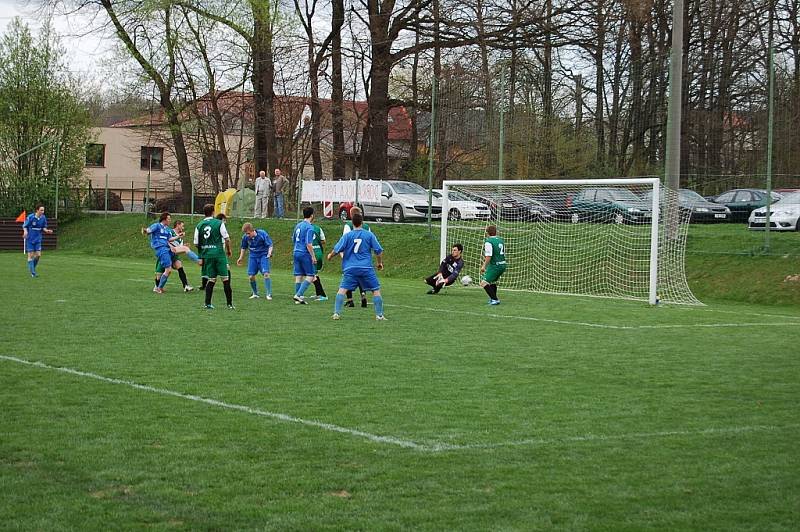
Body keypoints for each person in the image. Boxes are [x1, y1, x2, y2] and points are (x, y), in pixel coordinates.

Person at [327, 211, 386, 320]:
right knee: (375, 290)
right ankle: (379, 315)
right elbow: (378, 251)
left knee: (342, 290)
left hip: (350, 268)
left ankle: (336, 313)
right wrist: (379, 263)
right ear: (362, 223)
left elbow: (337, 249)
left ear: (352, 223)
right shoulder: (369, 235)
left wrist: (330, 255)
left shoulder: (347, 236)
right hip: (366, 268)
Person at [194, 204, 234, 309]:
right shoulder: (219, 223)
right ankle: (229, 304)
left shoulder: (199, 225)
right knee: (225, 279)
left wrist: (203, 252)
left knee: (211, 279)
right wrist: (229, 250)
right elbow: (227, 238)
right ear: (213, 212)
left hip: (207, 255)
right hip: (219, 255)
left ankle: (207, 303)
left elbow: (196, 243)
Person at [237, 222, 274, 300]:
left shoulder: (262, 234)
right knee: (251, 276)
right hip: (253, 257)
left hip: (263, 256)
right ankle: (255, 293)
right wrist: (240, 258)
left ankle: (269, 294)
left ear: (252, 230)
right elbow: (243, 248)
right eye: (246, 234)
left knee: (266, 274)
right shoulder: (245, 237)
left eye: (248, 233)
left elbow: (270, 245)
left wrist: (269, 253)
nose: (247, 235)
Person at [342, 205, 369, 308]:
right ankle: (363, 295)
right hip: (363, 257)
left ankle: (350, 300)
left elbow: (345, 240)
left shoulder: (348, 225)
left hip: (351, 257)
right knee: (361, 277)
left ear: (351, 215)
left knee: (348, 277)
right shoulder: (366, 226)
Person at [141, 211, 174, 293]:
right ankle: (158, 288)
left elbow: (169, 239)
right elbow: (148, 230)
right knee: (168, 270)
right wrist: (145, 231)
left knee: (165, 270)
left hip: (166, 249)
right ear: (164, 219)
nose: (170, 220)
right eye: (169, 219)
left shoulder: (167, 229)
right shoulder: (157, 225)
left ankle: (158, 287)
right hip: (161, 249)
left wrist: (177, 236)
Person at [291, 206, 317, 304]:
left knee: (299, 275)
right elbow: (308, 244)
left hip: (296, 251)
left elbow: (293, 239)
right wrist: (313, 257)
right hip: (304, 253)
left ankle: (298, 298)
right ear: (312, 215)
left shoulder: (298, 225)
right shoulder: (310, 227)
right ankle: (298, 295)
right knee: (310, 275)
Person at [22, 204, 53, 278]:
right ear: (37, 210)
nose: (43, 211)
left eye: (43, 210)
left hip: (38, 239)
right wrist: (25, 232)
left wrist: (47, 231)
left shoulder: (43, 218)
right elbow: (25, 226)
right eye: (41, 210)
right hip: (30, 238)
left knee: (38, 255)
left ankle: (32, 268)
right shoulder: (31, 217)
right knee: (31, 255)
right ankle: (33, 273)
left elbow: (44, 227)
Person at [480, 225, 506, 305]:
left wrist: (484, 266)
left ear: (487, 233)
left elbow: (489, 256)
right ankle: (492, 299)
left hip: (495, 265)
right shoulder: (500, 240)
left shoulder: (489, 242)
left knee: (483, 283)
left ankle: (495, 299)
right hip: (503, 265)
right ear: (496, 232)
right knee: (492, 282)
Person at [311, 222, 328, 301]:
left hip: (311, 253)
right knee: (314, 274)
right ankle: (318, 294)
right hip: (318, 252)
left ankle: (323, 295)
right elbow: (324, 241)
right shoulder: (318, 228)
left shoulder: (303, 227)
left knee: (311, 275)